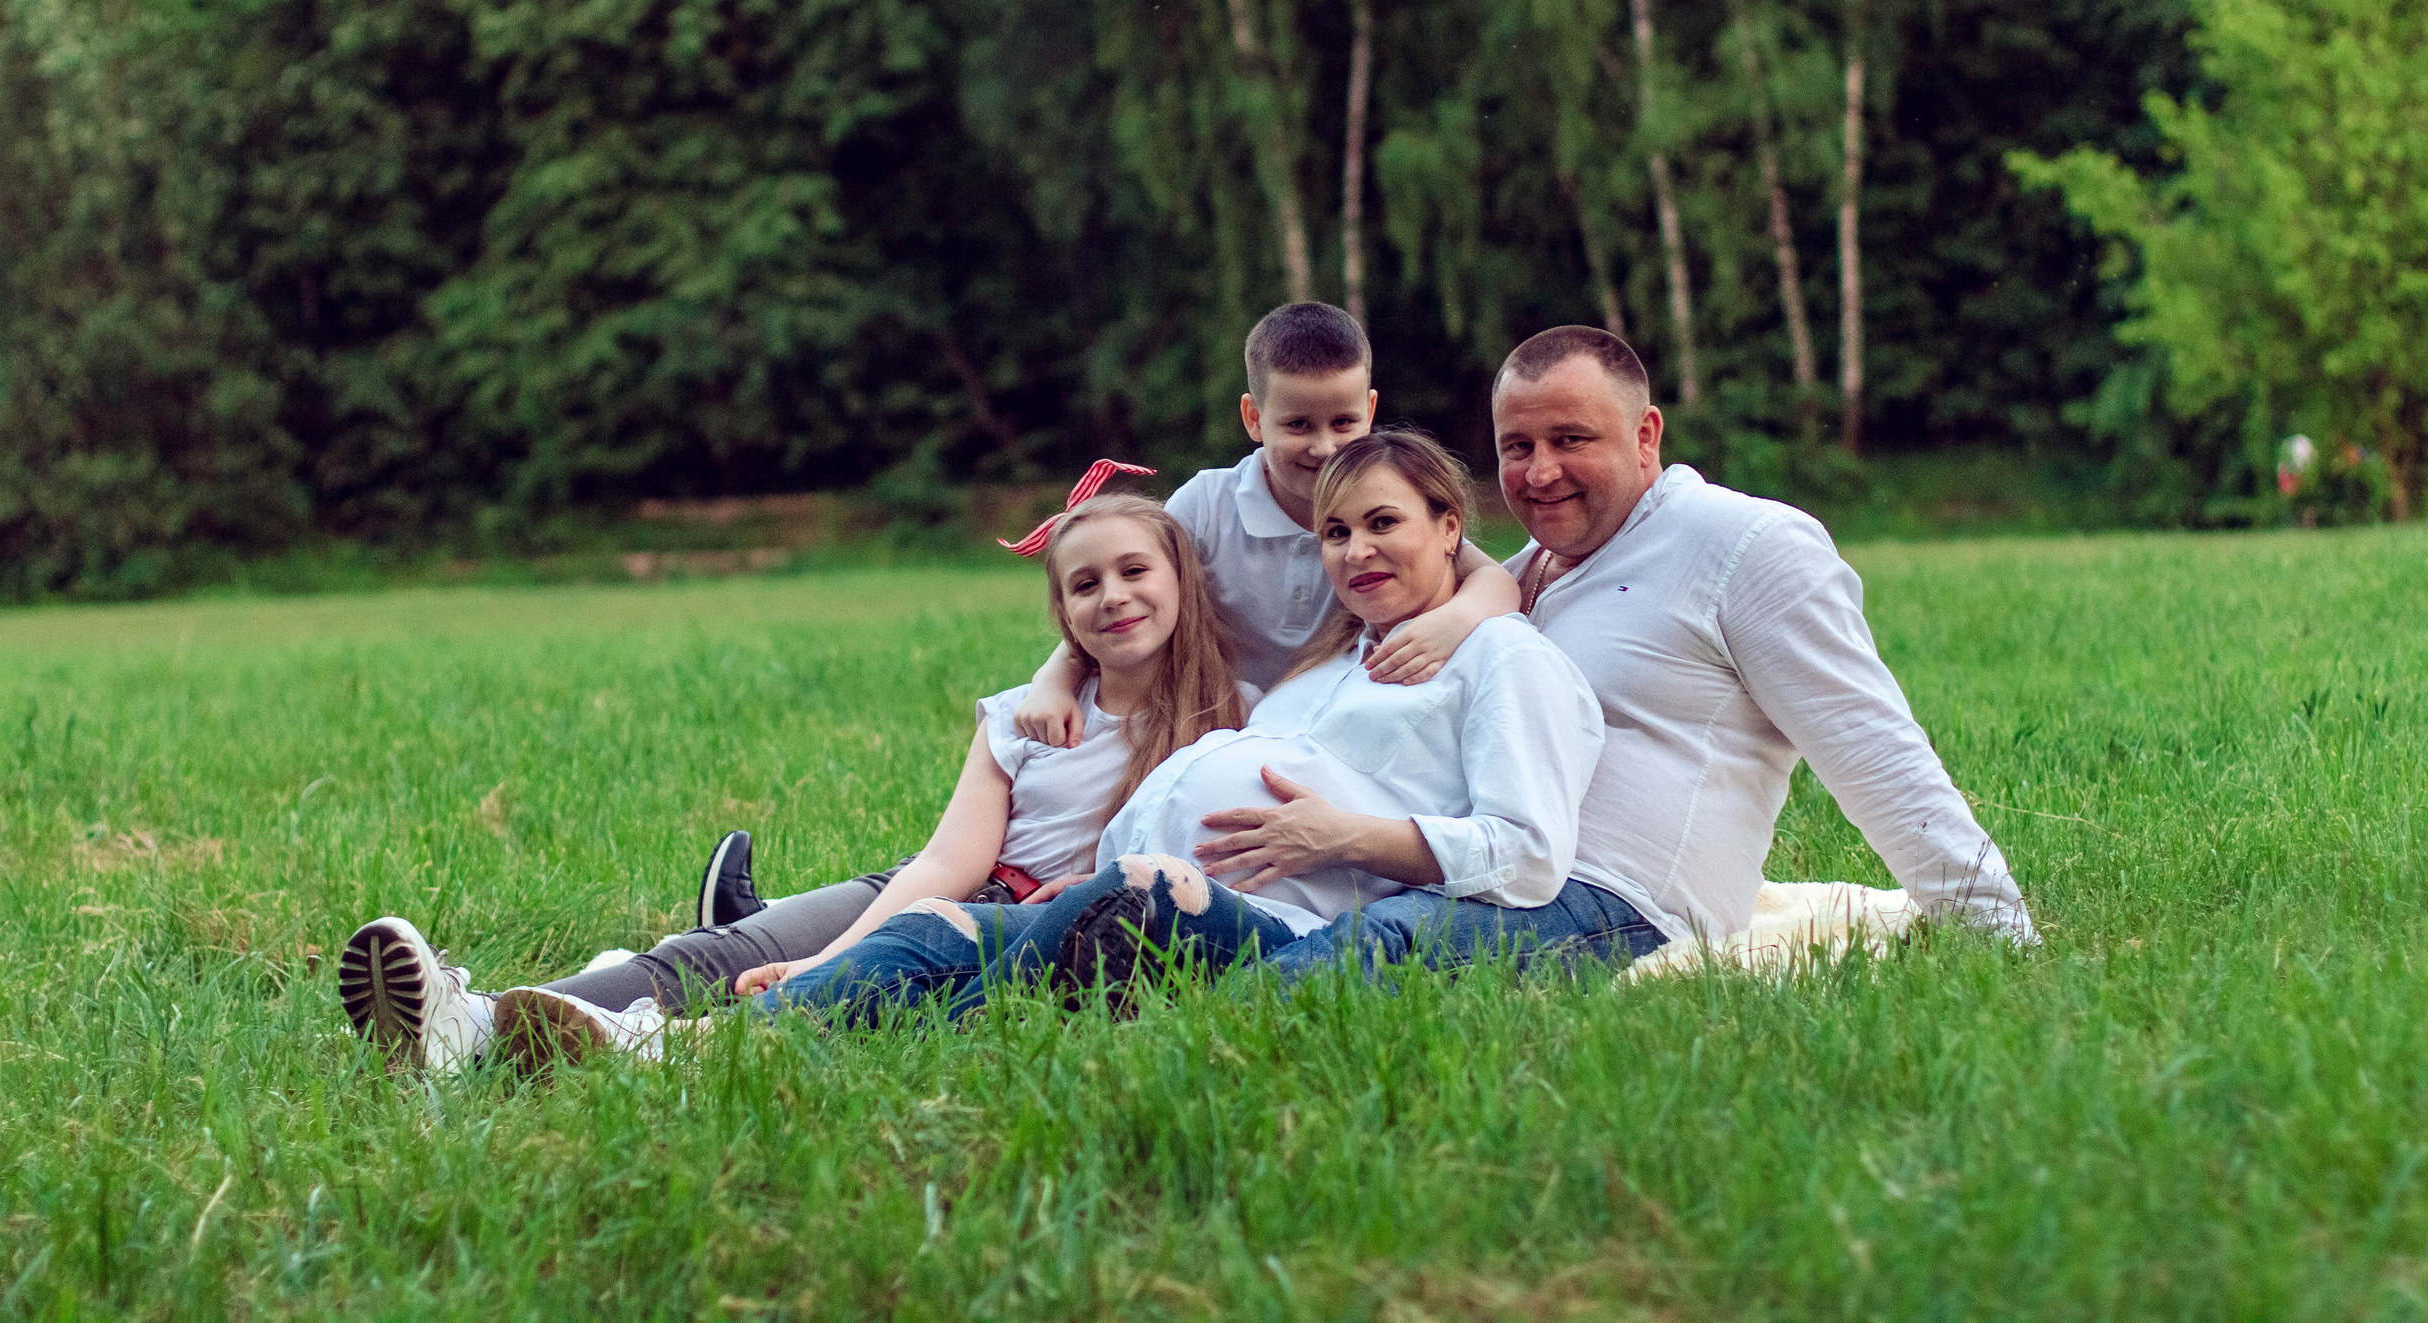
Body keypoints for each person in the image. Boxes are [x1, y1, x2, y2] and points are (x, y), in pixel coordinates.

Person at [333, 483, 1251, 1072]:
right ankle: (472, 1020)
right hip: (934, 888)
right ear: (1061, 611)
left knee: (845, 1008)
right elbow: (945, 861)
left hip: (1019, 927)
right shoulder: (1020, 717)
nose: (1113, 596)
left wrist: (828, 971)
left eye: (1135, 570)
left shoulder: (1237, 712)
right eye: (1084, 585)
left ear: (1182, 581)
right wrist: (830, 949)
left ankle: (606, 1036)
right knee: (718, 958)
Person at [1256, 326, 2037, 983]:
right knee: (1271, 925)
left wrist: (2003, 938)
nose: (1539, 471)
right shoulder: (1524, 572)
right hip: (1475, 878)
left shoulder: (1744, 546)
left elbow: (1874, 748)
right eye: (1515, 446)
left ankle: (1172, 1030)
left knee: (1372, 950)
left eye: (1570, 439)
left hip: (1626, 906)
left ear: (1646, 434)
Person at [743, 430, 1605, 1025]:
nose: (1355, 550)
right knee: (937, 924)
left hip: (1275, 926)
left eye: (1384, 523)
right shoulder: (1332, 661)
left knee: (1126, 904)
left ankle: (903, 1031)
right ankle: (694, 1041)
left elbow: (1528, 853)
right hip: (1131, 887)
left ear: (1450, 527)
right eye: (1335, 532)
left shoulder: (1501, 657)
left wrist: (1346, 834)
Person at [1014, 303, 1520, 738]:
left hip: (1335, 721)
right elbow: (1126, 598)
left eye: (1344, 422)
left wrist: (1452, 622)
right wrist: (1053, 679)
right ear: (1254, 418)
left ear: (1370, 411)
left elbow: (1492, 579)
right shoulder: (1206, 505)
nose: (1324, 447)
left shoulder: (1384, 510)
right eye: (1297, 425)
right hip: (1208, 719)